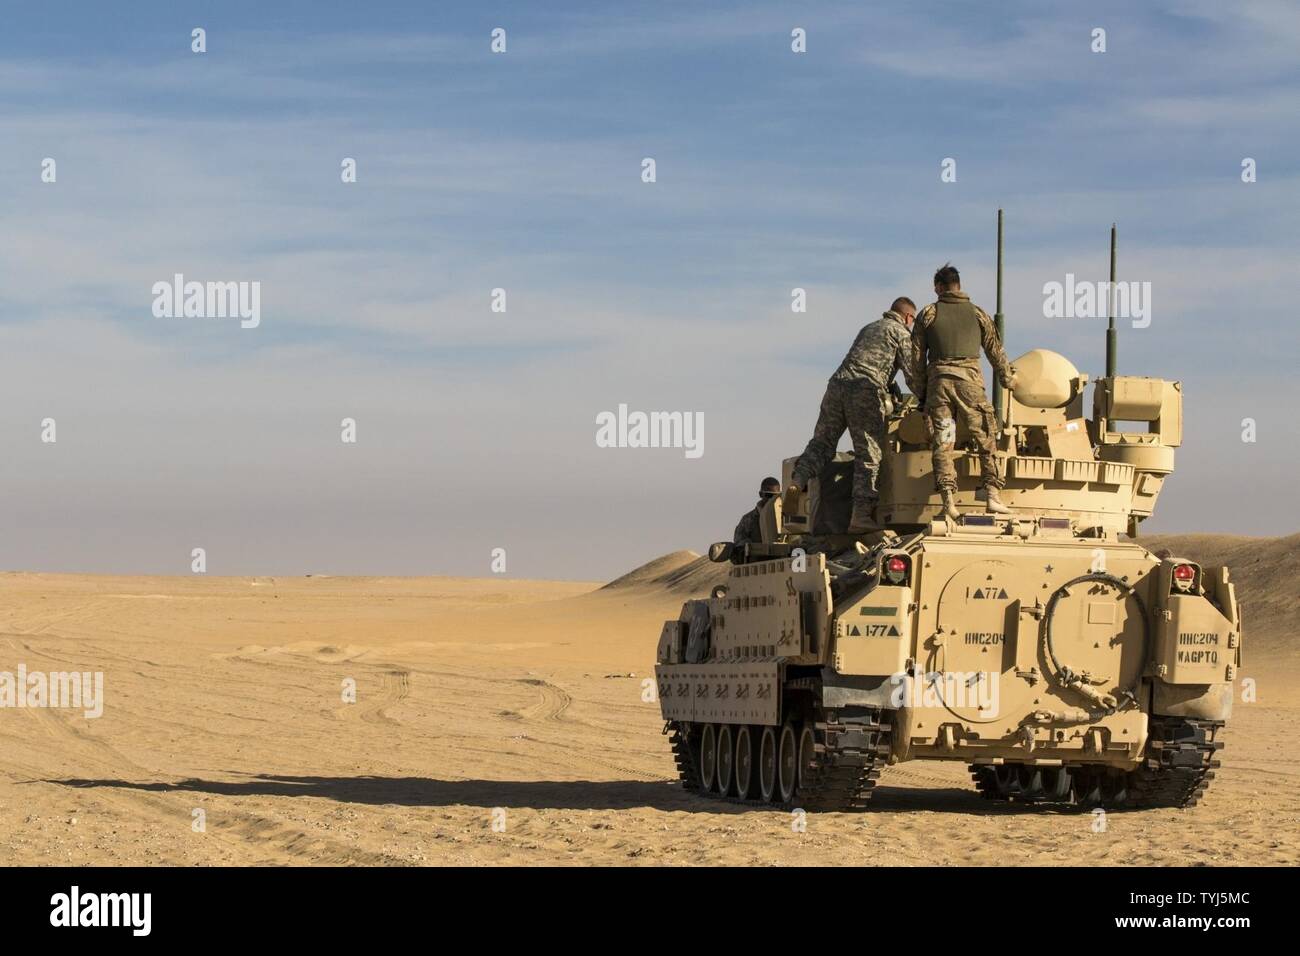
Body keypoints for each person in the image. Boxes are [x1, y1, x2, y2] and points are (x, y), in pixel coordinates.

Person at [790, 298, 921, 532]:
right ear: (909, 317)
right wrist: (927, 397)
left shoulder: (869, 327)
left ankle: (798, 480)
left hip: (837, 385)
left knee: (822, 442)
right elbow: (913, 373)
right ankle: (860, 515)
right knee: (869, 452)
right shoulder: (901, 333)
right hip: (865, 389)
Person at [911, 264, 1018, 520]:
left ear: (938, 287)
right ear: (958, 285)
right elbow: (995, 350)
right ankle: (992, 495)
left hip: (940, 388)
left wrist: (921, 393)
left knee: (943, 442)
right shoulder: (978, 314)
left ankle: (948, 501)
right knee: (985, 437)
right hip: (970, 384)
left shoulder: (928, 313)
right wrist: (1007, 379)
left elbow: (916, 358)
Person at [734, 477, 781, 545]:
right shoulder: (748, 519)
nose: (772, 500)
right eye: (769, 495)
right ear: (761, 494)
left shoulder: (785, 517)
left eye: (776, 496)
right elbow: (739, 541)